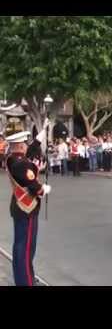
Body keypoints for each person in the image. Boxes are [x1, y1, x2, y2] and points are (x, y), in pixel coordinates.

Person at [5, 120, 52, 286]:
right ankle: (25, 282)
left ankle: (24, 278)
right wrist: (44, 189)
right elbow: (33, 185)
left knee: (21, 247)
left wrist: (42, 132)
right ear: (19, 146)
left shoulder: (12, 158)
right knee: (25, 250)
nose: (27, 145)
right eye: (24, 143)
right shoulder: (21, 163)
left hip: (20, 207)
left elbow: (32, 149)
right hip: (26, 209)